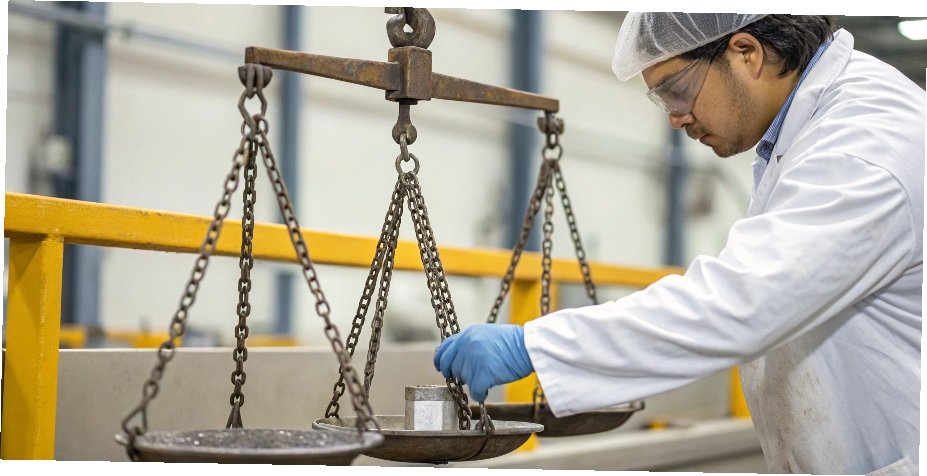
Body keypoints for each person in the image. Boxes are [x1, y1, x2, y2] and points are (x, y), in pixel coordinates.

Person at [434, 13, 923, 475]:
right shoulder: (814, 129)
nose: (675, 117)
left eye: (676, 89)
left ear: (747, 53)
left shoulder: (866, 143)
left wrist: (534, 346)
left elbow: (742, 301)